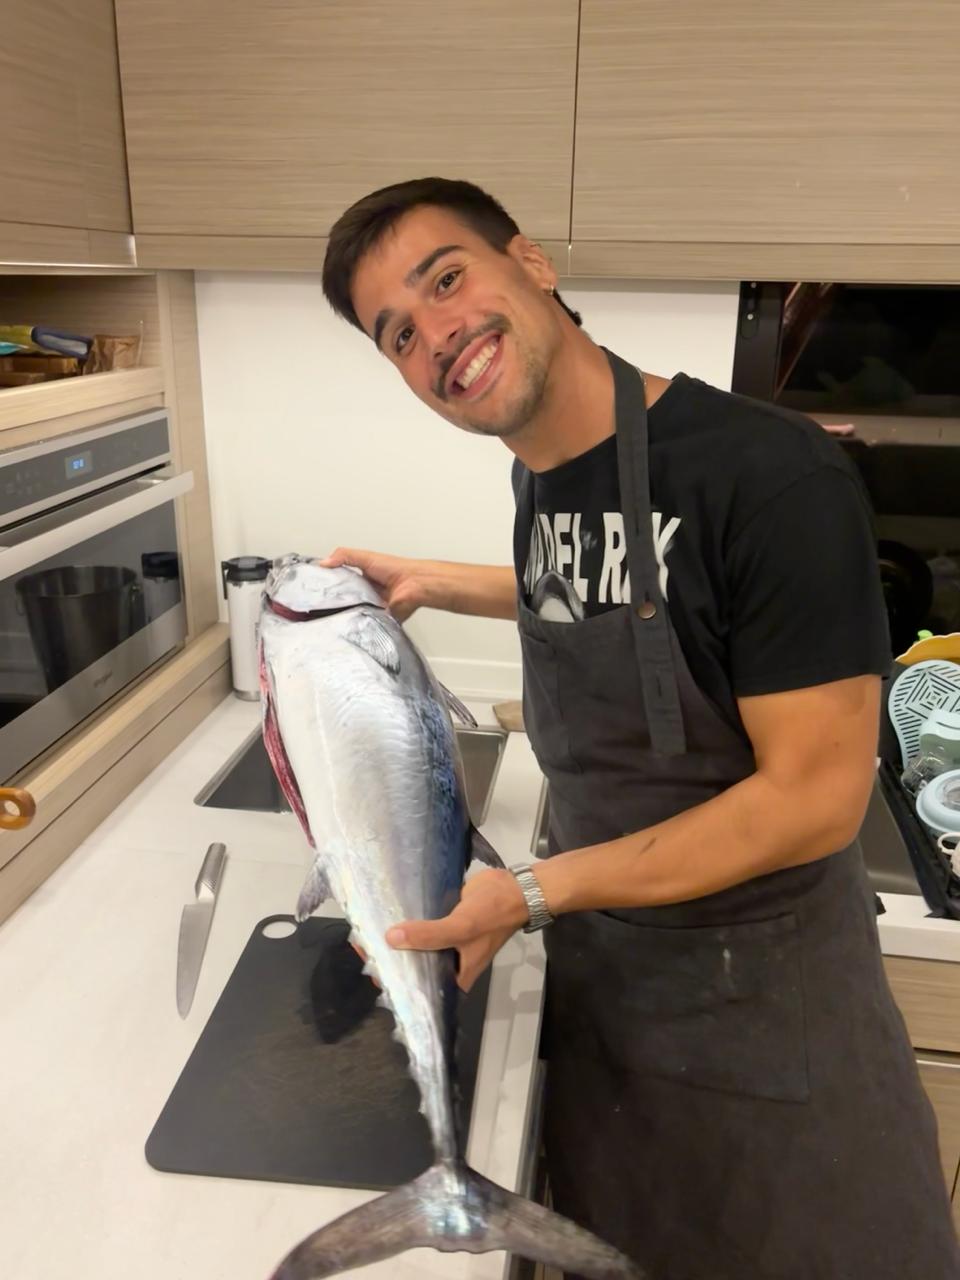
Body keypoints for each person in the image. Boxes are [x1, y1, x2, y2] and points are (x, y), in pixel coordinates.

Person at [318, 177, 960, 1278]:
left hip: (772, 1034)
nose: (438, 335)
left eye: (447, 277)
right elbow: (611, 595)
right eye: (399, 333)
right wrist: (435, 579)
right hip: (617, 1012)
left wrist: (528, 889)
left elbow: (816, 799)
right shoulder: (546, 477)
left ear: (532, 261)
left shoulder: (767, 475)